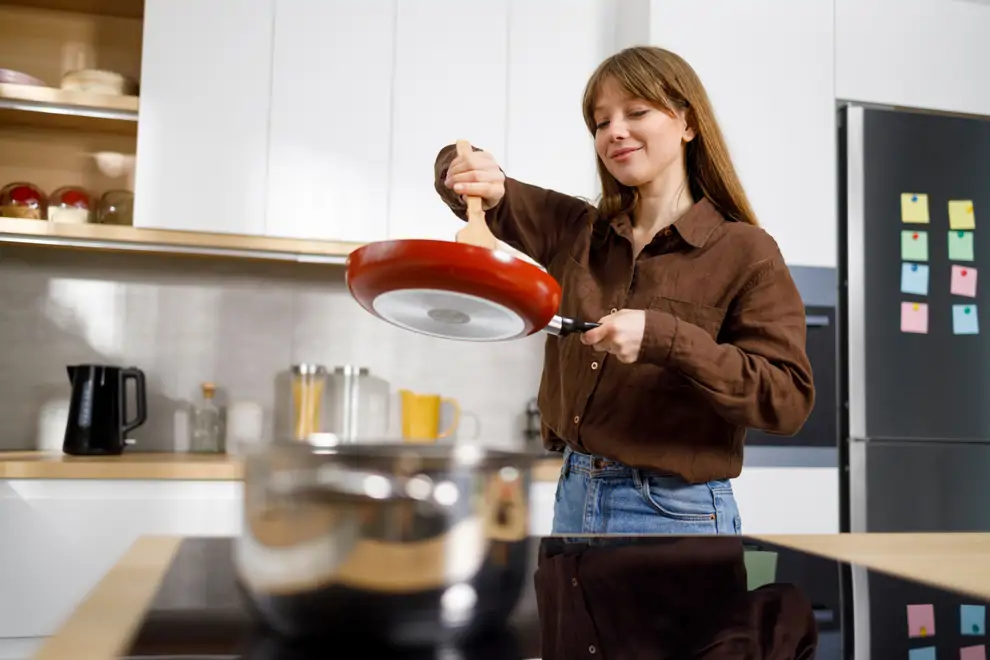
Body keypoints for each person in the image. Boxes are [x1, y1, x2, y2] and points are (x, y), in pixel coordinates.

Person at [433, 46, 815, 535]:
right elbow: (479, 185)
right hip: (573, 492)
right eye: (599, 122)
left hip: (675, 512)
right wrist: (465, 169)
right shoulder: (577, 229)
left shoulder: (746, 251)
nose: (614, 131)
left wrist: (666, 338)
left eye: (636, 111)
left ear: (687, 123)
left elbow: (787, 400)